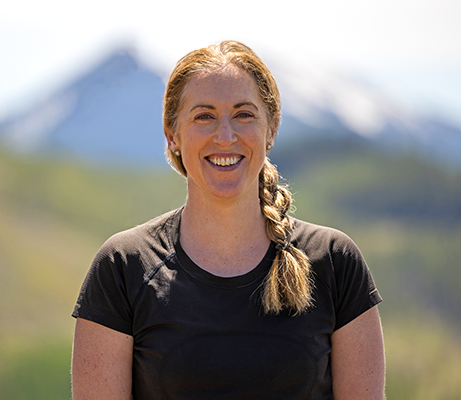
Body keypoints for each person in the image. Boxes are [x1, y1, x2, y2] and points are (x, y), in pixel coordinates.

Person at [71, 40, 385, 399]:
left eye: (244, 115)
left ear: (271, 129)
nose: (225, 136)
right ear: (172, 135)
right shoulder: (123, 266)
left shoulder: (334, 262)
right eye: (204, 116)